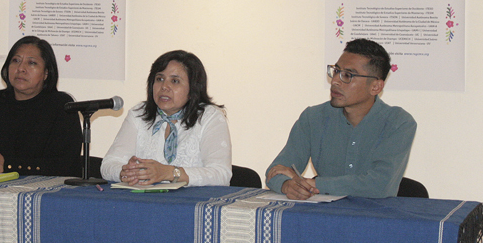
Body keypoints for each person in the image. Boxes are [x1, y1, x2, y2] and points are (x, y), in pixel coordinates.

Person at [265, 38, 416, 199]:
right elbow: (276, 171)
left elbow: (379, 185)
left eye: (347, 75)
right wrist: (287, 185)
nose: (335, 81)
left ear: (375, 87)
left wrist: (314, 184)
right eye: (336, 71)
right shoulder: (313, 118)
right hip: (324, 216)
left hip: (376, 218)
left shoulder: (398, 123)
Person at [101, 50, 232, 187]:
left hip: (190, 204)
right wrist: (126, 172)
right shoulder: (138, 114)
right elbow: (108, 164)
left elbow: (221, 175)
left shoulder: (210, 117)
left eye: (175, 81)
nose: (164, 87)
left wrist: (169, 173)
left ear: (193, 88)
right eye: (159, 79)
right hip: (144, 202)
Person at [0, 36, 82, 176]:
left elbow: (64, 164)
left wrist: (7, 166)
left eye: (32, 63)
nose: (21, 68)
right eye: (15, 61)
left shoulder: (61, 106)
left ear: (46, 72)